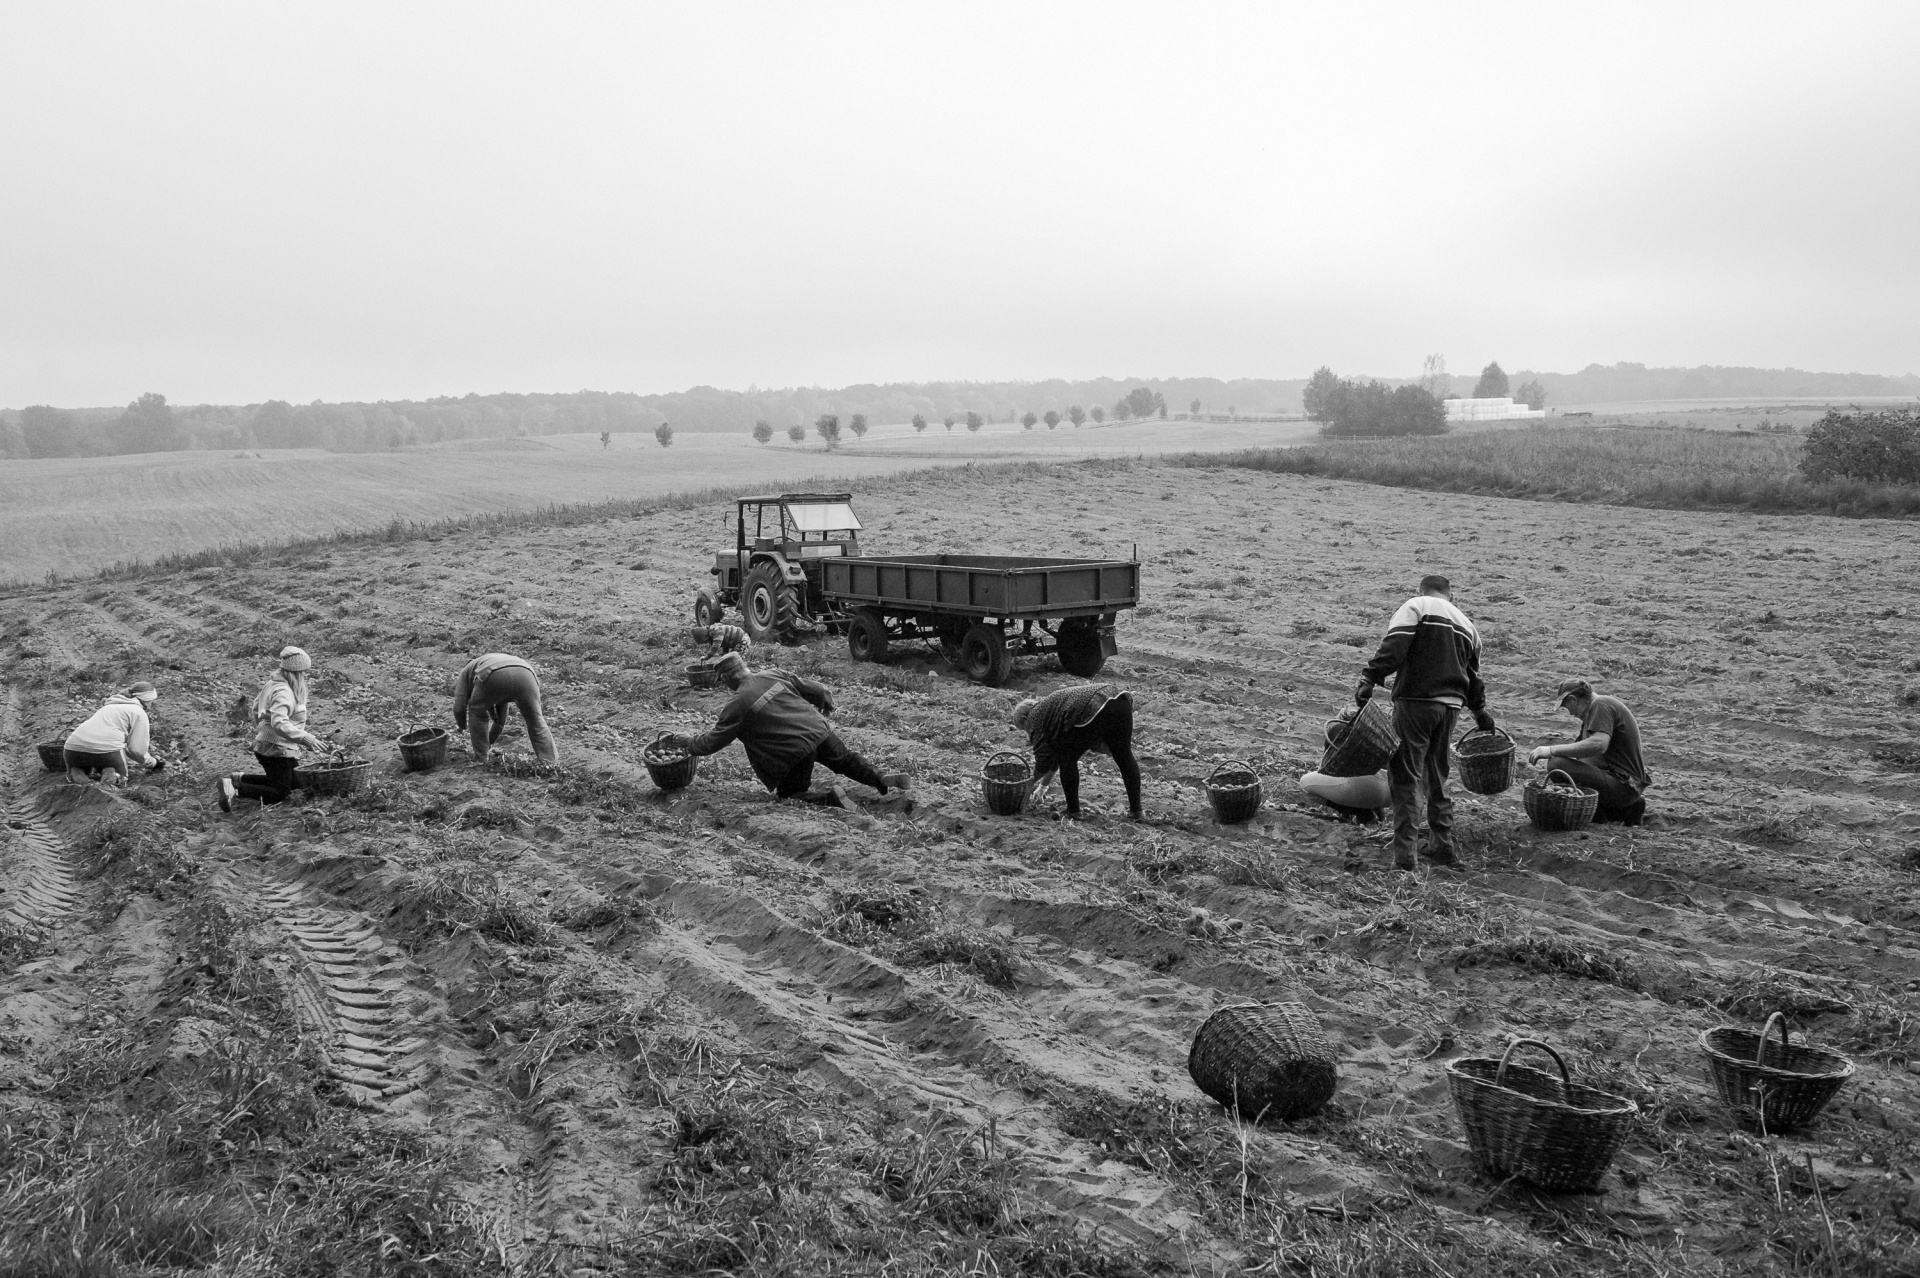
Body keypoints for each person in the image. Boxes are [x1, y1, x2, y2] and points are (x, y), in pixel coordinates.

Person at [1356, 574, 1496, 870]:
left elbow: (1394, 648)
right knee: (1437, 774)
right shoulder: (1469, 626)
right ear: (1450, 595)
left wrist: (1370, 677)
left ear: (1421, 590)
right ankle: (1442, 845)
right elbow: (1474, 679)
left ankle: (1405, 859)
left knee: (1406, 775)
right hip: (1450, 709)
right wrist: (1480, 713)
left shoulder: (1415, 606)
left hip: (1416, 702)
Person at [664, 653, 905, 807]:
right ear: (745, 667)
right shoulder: (772, 674)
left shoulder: (738, 703)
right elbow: (817, 690)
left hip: (792, 752)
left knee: (791, 793)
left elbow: (713, 741)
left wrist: (687, 742)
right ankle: (880, 777)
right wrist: (825, 706)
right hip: (817, 728)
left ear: (727, 678)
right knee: (845, 759)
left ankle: (830, 799)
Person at [219, 647, 331, 810]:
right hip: (276, 749)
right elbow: (279, 722)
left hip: (272, 744)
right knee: (280, 792)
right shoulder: (283, 692)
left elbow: (256, 707)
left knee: (296, 785)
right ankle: (235, 789)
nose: (305, 676)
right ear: (296, 672)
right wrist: (305, 738)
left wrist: (263, 729)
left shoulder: (273, 683)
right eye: (303, 672)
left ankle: (240, 779)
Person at [1010, 683, 1143, 821]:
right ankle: (1136, 811)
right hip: (1119, 699)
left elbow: (1044, 760)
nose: (1027, 732)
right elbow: (1053, 755)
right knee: (1124, 756)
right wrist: (1043, 787)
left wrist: (1026, 784)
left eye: (1023, 728)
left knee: (1067, 758)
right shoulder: (1049, 709)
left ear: (1024, 719)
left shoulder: (1034, 717)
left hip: (1091, 706)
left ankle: (1073, 811)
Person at [1529, 679, 1650, 825]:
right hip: (1623, 785)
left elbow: (1599, 744)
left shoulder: (1601, 705)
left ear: (1573, 699)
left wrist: (1550, 750)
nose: (1570, 714)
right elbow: (1581, 753)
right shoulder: (1593, 713)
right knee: (1566, 765)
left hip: (1622, 785)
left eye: (1567, 707)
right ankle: (1628, 809)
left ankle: (1595, 818)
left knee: (1557, 764)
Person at [453, 652, 558, 765]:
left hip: (492, 673)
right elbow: (499, 723)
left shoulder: (465, 672)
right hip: (526, 673)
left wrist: (461, 726)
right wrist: (489, 742)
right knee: (536, 720)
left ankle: (480, 760)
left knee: (477, 712)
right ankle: (550, 764)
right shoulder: (485, 661)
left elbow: (459, 708)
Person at [64, 682, 163, 787]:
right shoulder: (138, 712)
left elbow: (125, 747)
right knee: (121, 782)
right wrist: (153, 763)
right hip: (106, 751)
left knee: (86, 767)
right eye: (151, 702)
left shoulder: (109, 707)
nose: (150, 706)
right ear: (145, 699)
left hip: (72, 748)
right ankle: (113, 775)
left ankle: (77, 772)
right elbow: (136, 750)